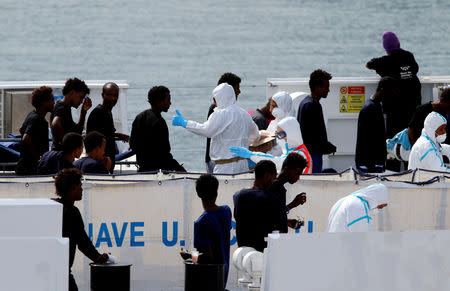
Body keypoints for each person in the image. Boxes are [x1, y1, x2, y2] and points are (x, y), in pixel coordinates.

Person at [173, 83, 260, 174]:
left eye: (215, 99)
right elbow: (256, 136)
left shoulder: (221, 114)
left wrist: (185, 123)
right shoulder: (244, 114)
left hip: (225, 167)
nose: (214, 103)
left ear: (221, 98)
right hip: (244, 165)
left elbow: (207, 130)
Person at [53, 168, 109, 290]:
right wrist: (98, 258)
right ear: (73, 187)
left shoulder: (52, 206)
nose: (82, 189)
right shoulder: (72, 212)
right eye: (80, 185)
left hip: (46, 271)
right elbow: (82, 242)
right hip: (62, 273)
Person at [366, 31, 422, 138]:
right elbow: (415, 69)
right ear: (398, 43)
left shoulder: (385, 61)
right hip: (413, 103)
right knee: (412, 135)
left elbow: (368, 65)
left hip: (394, 108)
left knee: (394, 138)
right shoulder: (409, 56)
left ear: (385, 46)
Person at [129, 86, 185, 172]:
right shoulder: (159, 122)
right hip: (158, 172)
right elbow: (164, 153)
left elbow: (133, 144)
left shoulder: (140, 117)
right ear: (160, 101)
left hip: (142, 169)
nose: (170, 103)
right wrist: (178, 167)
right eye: (168, 99)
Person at [233, 160, 285, 252]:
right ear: (267, 176)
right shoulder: (273, 199)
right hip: (262, 256)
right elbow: (280, 233)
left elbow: (252, 219)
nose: (274, 182)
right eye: (274, 178)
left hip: (243, 255)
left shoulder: (238, 196)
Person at [230, 117, 312, 173]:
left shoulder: (300, 154)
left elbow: (278, 162)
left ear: (292, 134)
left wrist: (251, 155)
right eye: (278, 134)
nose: (279, 138)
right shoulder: (293, 151)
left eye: (281, 134)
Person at [192, 174, 232, 287]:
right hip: (223, 276)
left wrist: (189, 256)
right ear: (216, 192)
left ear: (198, 194)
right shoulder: (226, 211)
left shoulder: (201, 223)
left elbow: (206, 258)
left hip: (208, 281)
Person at [355, 77, 398, 173]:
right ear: (382, 90)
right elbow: (366, 139)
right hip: (369, 164)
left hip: (374, 162)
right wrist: (374, 164)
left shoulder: (377, 105)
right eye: (390, 92)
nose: (392, 96)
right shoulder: (370, 108)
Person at [297, 69, 336, 173]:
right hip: (312, 155)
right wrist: (327, 146)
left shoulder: (308, 103)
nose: (328, 90)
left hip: (311, 153)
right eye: (326, 87)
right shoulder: (311, 105)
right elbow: (311, 136)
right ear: (317, 87)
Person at [87, 82, 129, 172]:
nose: (113, 98)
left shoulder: (107, 112)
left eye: (115, 95)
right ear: (103, 95)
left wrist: (119, 135)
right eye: (109, 95)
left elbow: (106, 132)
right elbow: (93, 138)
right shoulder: (98, 113)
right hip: (101, 162)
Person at [205, 73, 242, 173]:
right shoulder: (217, 110)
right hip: (218, 162)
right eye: (237, 88)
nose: (239, 91)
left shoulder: (225, 110)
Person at [15, 86, 55, 175]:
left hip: (26, 167)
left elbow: (22, 129)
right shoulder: (37, 119)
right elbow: (26, 138)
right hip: (29, 169)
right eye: (52, 100)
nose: (54, 102)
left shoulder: (32, 115)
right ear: (44, 102)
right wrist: (38, 157)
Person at [269, 152, 308, 230]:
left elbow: (272, 216)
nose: (298, 178)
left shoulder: (275, 185)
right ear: (286, 169)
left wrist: (287, 222)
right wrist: (293, 204)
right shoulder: (276, 187)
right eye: (297, 174)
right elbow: (270, 216)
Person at [50, 77, 92, 150]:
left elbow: (77, 132)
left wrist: (83, 111)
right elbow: (55, 124)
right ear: (72, 92)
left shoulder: (66, 108)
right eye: (81, 97)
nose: (81, 101)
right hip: (61, 156)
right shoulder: (62, 107)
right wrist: (67, 146)